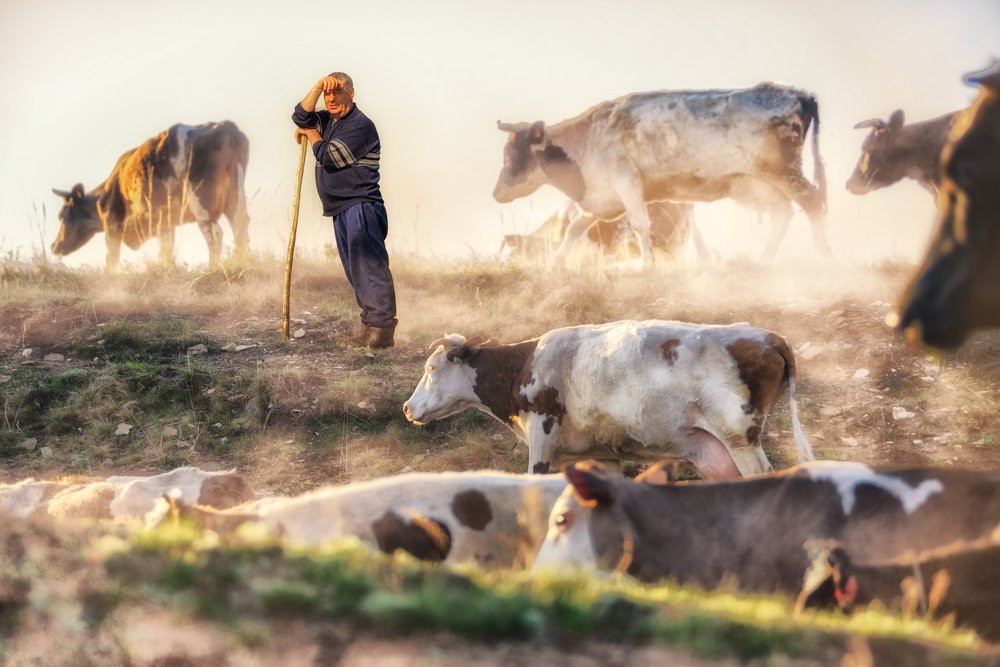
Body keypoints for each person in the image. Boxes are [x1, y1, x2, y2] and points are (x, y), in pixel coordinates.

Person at [292, 72, 397, 349]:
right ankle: (370, 326)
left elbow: (329, 156)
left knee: (368, 267)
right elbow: (300, 115)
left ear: (352, 93)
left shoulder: (360, 126)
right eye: (327, 94)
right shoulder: (329, 120)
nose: (331, 99)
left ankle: (382, 331)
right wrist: (316, 87)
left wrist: (311, 133)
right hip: (342, 207)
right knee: (355, 271)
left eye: (337, 92)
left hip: (361, 205)